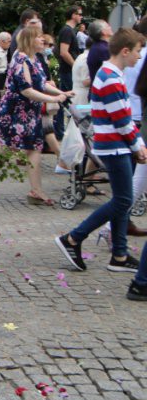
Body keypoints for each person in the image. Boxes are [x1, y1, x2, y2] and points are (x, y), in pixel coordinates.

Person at [57, 28, 147, 274]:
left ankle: (119, 254)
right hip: (115, 146)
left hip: (115, 144)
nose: (140, 57)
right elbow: (121, 119)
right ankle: (73, 238)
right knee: (123, 200)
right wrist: (138, 145)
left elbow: (123, 117)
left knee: (122, 200)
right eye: (138, 52)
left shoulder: (111, 73)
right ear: (126, 51)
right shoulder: (111, 76)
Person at [0, 26, 73, 205]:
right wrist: (54, 97)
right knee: (5, 150)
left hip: (29, 113)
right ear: (29, 40)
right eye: (38, 38)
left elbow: (41, 83)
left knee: (34, 148)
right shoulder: (20, 59)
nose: (42, 40)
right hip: (13, 113)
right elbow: (27, 90)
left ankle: (36, 190)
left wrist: (62, 93)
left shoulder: (33, 59)